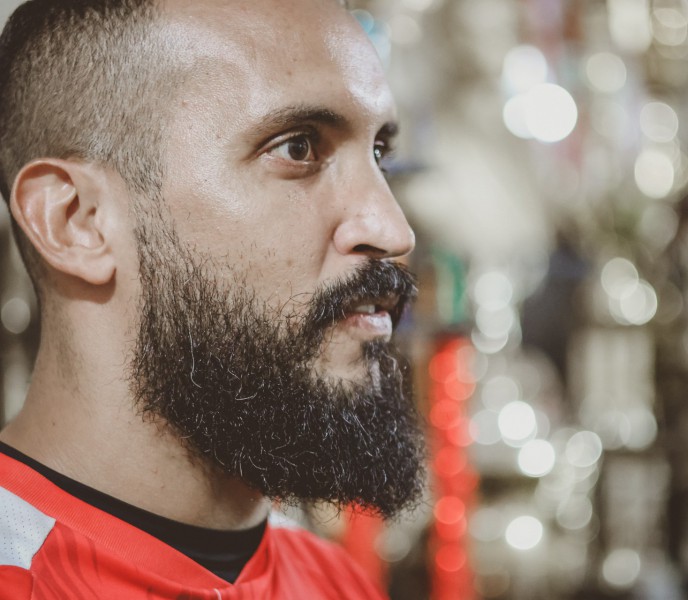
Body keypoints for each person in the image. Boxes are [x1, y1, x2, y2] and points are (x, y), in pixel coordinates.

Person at [0, 0, 427, 597]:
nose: (394, 231)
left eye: (379, 154)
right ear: (77, 221)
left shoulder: (334, 581)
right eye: (298, 148)